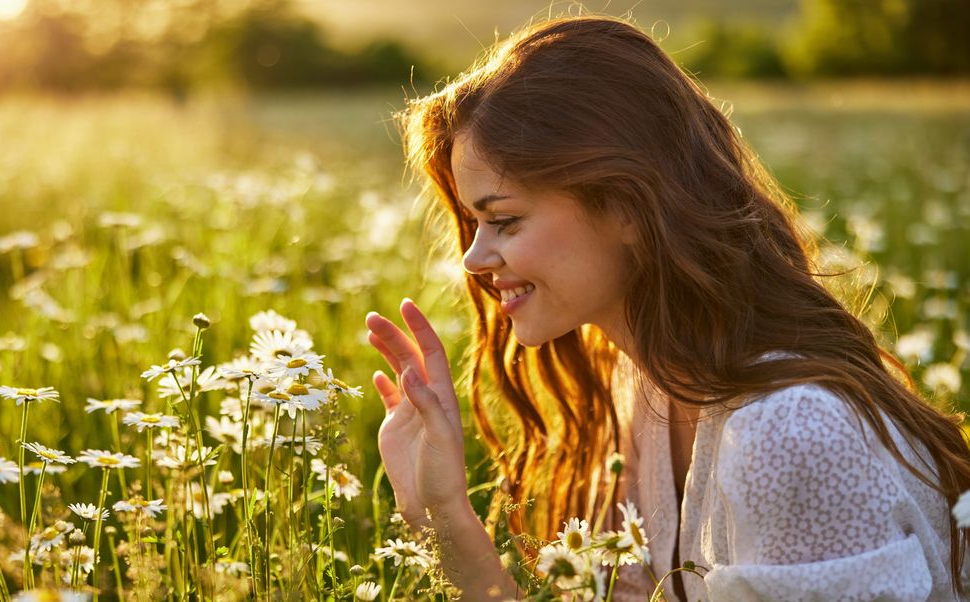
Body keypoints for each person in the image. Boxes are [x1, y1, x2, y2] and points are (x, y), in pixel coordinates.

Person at [364, 15, 970, 601]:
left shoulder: (787, 431)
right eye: (473, 223)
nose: (472, 258)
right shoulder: (644, 389)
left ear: (628, 205)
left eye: (504, 220)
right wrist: (437, 513)